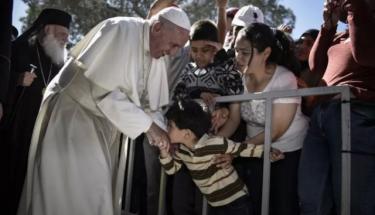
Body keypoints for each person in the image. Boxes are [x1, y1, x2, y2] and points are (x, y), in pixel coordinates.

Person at [17, 7, 190, 215]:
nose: (173, 53)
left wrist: (165, 138)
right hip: (73, 115)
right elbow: (103, 92)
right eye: (173, 45)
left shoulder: (158, 56)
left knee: (95, 192)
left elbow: (149, 105)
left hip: (101, 123)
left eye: (178, 48)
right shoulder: (120, 30)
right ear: (158, 28)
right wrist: (151, 128)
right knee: (72, 192)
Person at [298, 0, 375, 214]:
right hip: (322, 115)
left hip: (356, 114)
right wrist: (328, 27)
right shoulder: (341, 35)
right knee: (312, 196)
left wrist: (355, 7)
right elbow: (316, 67)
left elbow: (365, 55)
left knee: (354, 200)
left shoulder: (366, 25)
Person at [158, 99, 284, 215]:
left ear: (187, 134)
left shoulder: (216, 143)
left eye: (170, 126)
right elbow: (171, 169)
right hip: (215, 204)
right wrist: (164, 151)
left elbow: (242, 149)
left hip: (236, 201)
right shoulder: (182, 150)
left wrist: (268, 152)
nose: (166, 129)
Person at [1, 8, 72, 215]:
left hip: (42, 132)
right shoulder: (18, 49)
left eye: (67, 38)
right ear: (47, 30)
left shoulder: (59, 62)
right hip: (15, 129)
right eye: (61, 36)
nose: (65, 41)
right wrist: (16, 79)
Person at [233, 23, 309, 215]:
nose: (238, 58)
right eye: (236, 51)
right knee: (256, 204)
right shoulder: (239, 78)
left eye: (245, 52)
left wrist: (237, 150)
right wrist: (213, 144)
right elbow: (233, 121)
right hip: (254, 150)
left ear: (265, 53)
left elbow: (275, 130)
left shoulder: (285, 79)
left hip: (287, 152)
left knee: (283, 206)